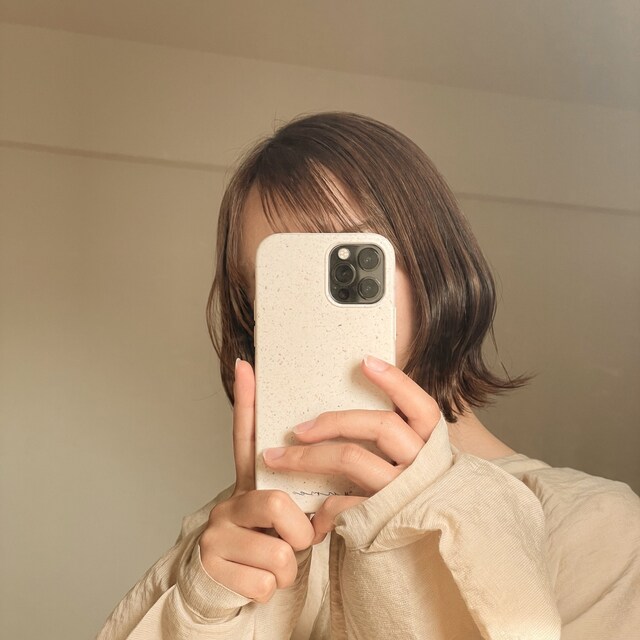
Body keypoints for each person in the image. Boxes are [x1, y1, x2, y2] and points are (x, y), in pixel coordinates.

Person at [98, 113, 640, 639]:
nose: (312, 312)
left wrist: (425, 534)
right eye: (279, 281)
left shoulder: (595, 526)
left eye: (346, 261)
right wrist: (205, 612)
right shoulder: (232, 540)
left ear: (434, 261)